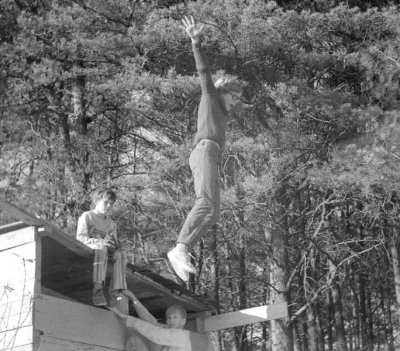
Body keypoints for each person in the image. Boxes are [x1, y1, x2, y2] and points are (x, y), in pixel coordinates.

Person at [168, 16, 244, 282]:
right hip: (204, 151)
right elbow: (203, 73)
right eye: (233, 97)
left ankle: (182, 248)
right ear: (222, 91)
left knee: (212, 213)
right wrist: (195, 41)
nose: (235, 103)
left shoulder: (222, 113)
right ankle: (179, 248)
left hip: (210, 153)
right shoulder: (210, 96)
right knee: (205, 203)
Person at [109, 289, 211, 351]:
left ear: (183, 321)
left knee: (137, 339)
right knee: (134, 339)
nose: (171, 320)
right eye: (169, 318)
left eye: (175, 317)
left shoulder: (181, 336)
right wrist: (133, 298)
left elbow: (155, 333)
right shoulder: (169, 331)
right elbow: (149, 320)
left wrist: (125, 318)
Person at [76, 188, 127, 306]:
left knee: (120, 254)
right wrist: (100, 241)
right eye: (105, 202)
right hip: (91, 247)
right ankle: (98, 288)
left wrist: (113, 245)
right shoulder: (87, 216)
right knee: (101, 247)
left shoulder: (111, 224)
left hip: (105, 249)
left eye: (111, 204)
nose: (108, 206)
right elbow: (80, 238)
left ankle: (117, 291)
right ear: (96, 201)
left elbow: (114, 243)